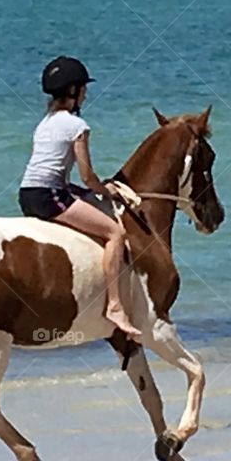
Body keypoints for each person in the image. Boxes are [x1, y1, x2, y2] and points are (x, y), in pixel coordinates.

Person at [18, 56, 141, 337]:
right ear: (73, 91)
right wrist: (105, 189)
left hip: (28, 193)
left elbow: (60, 176)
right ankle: (114, 306)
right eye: (83, 88)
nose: (85, 93)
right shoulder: (77, 126)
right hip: (50, 196)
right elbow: (87, 175)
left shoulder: (44, 123)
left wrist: (84, 192)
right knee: (115, 234)